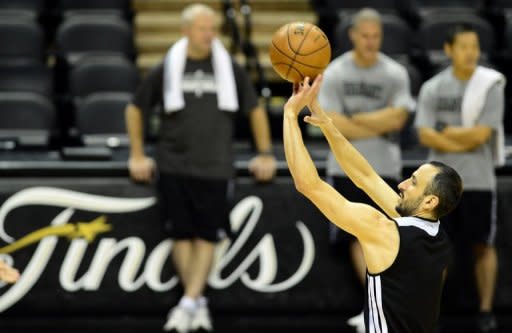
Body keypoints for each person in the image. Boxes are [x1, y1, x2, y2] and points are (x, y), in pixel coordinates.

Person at [125, 4, 276, 332]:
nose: (210, 35)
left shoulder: (229, 67)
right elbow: (136, 108)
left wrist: (264, 152)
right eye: (203, 29)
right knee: (181, 234)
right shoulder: (168, 65)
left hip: (215, 164)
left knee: (207, 235)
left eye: (213, 29)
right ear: (186, 31)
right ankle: (196, 302)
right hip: (172, 162)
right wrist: (137, 153)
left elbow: (255, 109)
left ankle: (189, 301)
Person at [283, 75, 462, 333]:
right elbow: (366, 177)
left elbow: (308, 184)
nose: (401, 185)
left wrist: (290, 115)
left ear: (429, 201)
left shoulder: (384, 230)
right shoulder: (437, 234)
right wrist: (326, 123)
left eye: (413, 182)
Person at [317, 8, 414, 331]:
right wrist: (377, 119)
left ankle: (383, 307)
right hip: (344, 168)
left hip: (385, 168)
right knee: (359, 238)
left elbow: (399, 119)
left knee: (388, 239)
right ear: (353, 36)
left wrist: (353, 121)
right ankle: (376, 306)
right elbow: (329, 124)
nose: (371, 41)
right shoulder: (336, 72)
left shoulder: (394, 73)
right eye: (365, 35)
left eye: (376, 36)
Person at [415, 24, 505, 333]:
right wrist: (460, 138)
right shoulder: (432, 87)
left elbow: (482, 135)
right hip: (439, 183)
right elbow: (425, 133)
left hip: (478, 181)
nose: (471, 52)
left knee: (483, 245)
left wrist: (448, 135)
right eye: (464, 46)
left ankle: (486, 311)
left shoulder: (490, 85)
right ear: (449, 50)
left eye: (475, 46)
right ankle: (430, 313)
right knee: (436, 247)